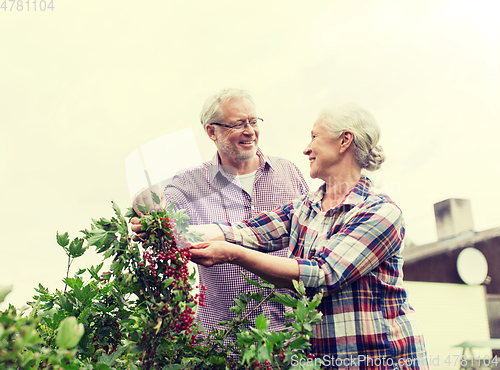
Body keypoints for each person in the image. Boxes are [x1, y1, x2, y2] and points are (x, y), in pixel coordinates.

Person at [190, 103, 429, 369]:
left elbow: (321, 274)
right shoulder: (305, 208)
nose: (306, 148)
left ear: (344, 141)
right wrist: (170, 230)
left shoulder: (380, 212)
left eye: (314, 137)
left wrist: (233, 254)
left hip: (382, 361)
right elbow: (248, 231)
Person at [131, 88, 309, 338]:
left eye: (253, 121)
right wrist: (149, 218)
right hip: (222, 341)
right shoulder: (188, 184)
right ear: (211, 131)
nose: (250, 131)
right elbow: (164, 224)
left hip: (288, 334)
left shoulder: (288, 172)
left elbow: (313, 234)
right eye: (238, 124)